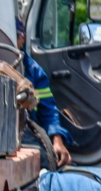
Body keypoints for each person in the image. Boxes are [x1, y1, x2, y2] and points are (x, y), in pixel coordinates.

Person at [17, 19, 73, 169]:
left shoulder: (34, 71)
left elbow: (48, 111)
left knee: (45, 162)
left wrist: (57, 141)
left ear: (22, 38)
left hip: (26, 132)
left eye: (16, 37)